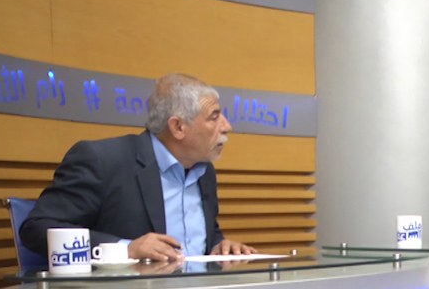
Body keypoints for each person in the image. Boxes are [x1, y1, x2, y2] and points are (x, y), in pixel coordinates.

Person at [20, 72, 256, 261]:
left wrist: (220, 245)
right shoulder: (102, 161)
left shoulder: (204, 171)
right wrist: (125, 249)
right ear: (178, 127)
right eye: (214, 117)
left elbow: (203, 236)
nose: (227, 126)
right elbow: (37, 229)